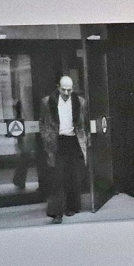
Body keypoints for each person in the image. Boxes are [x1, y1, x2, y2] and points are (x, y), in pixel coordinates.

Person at [39, 75, 89, 224]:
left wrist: (85, 139)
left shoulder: (80, 102)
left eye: (69, 89)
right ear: (58, 87)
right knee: (57, 177)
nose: (67, 92)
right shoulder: (47, 102)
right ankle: (56, 212)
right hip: (57, 142)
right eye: (63, 89)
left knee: (73, 175)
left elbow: (83, 123)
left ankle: (72, 207)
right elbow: (43, 122)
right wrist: (47, 138)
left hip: (73, 141)